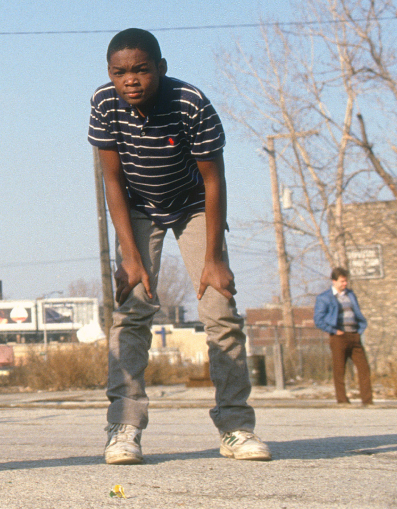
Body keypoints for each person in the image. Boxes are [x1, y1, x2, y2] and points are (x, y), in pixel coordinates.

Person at [88, 28, 271, 465]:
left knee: (220, 311)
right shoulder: (104, 103)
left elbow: (213, 179)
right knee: (131, 310)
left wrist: (214, 259)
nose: (130, 80)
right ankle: (125, 426)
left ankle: (235, 427)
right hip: (137, 207)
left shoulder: (190, 103)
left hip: (194, 206)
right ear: (109, 74)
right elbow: (111, 179)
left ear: (160, 68)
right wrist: (130, 257)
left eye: (141, 70)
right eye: (120, 72)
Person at [314, 267, 374, 406]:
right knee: (340, 369)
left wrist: (360, 329)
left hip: (354, 335)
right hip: (338, 337)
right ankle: (342, 400)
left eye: (346, 281)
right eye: (342, 281)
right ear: (334, 281)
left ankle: (367, 400)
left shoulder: (350, 295)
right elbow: (318, 319)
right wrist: (334, 331)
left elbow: (356, 312)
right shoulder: (324, 297)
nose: (345, 284)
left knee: (364, 368)